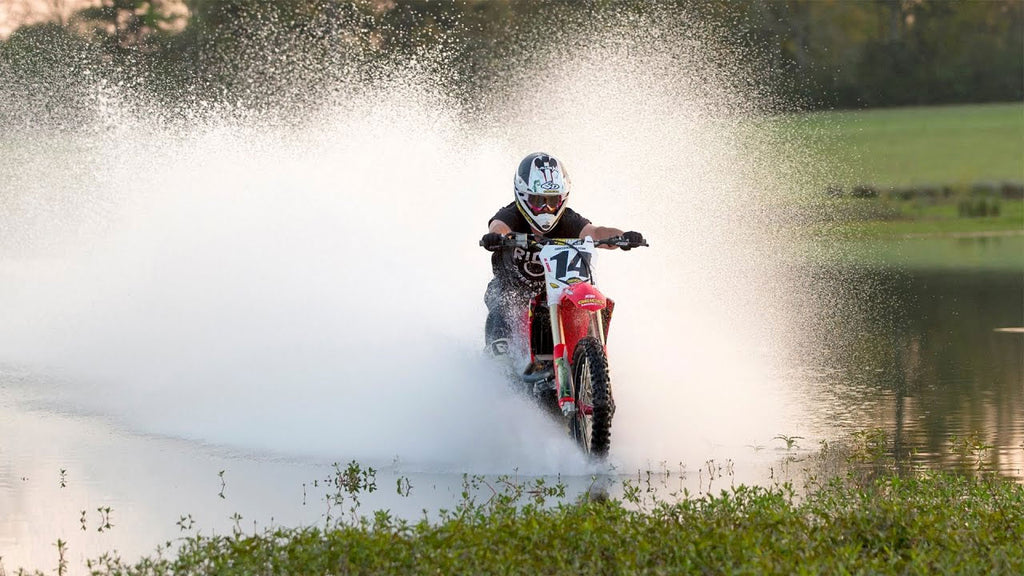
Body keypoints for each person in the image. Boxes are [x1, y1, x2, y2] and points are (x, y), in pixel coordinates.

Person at [480, 152, 644, 355]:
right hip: (513, 289)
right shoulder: (511, 215)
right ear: (522, 195)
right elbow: (498, 226)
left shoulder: (568, 220)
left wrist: (622, 236)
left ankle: (590, 361)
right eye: (539, 200)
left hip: (557, 291)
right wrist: (496, 237)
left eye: (552, 201)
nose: (546, 209)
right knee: (502, 306)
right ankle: (498, 369)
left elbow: (595, 232)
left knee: (589, 301)